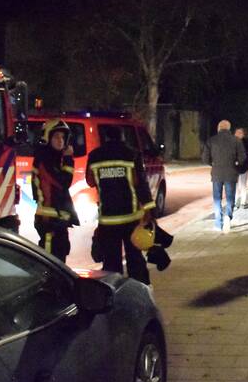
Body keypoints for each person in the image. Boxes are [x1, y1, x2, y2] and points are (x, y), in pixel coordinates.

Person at [86, 126, 157, 285]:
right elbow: (140, 184)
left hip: (108, 219)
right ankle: (141, 291)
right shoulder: (131, 154)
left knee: (111, 263)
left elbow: (90, 181)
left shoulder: (95, 156)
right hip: (130, 217)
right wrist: (149, 209)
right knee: (135, 258)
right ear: (122, 138)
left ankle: (112, 296)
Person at [31, 118, 77, 262]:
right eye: (56, 137)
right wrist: (69, 160)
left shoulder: (55, 159)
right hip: (49, 221)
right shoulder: (45, 159)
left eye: (63, 137)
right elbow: (63, 182)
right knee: (51, 262)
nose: (61, 141)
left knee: (60, 256)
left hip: (57, 219)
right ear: (47, 137)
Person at [202, 120, 248, 233]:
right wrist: (236, 163)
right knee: (230, 198)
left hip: (217, 173)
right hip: (231, 173)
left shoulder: (211, 140)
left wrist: (212, 163)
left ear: (218, 128)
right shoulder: (236, 141)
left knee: (217, 199)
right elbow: (243, 158)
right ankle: (228, 216)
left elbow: (205, 158)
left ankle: (218, 223)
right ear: (229, 129)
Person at [234, 127, 248, 210]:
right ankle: (236, 201)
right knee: (235, 184)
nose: (239, 134)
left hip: (244, 165)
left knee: (243, 184)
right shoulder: (232, 142)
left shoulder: (247, 142)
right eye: (237, 132)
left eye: (240, 132)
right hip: (234, 166)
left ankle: (243, 202)